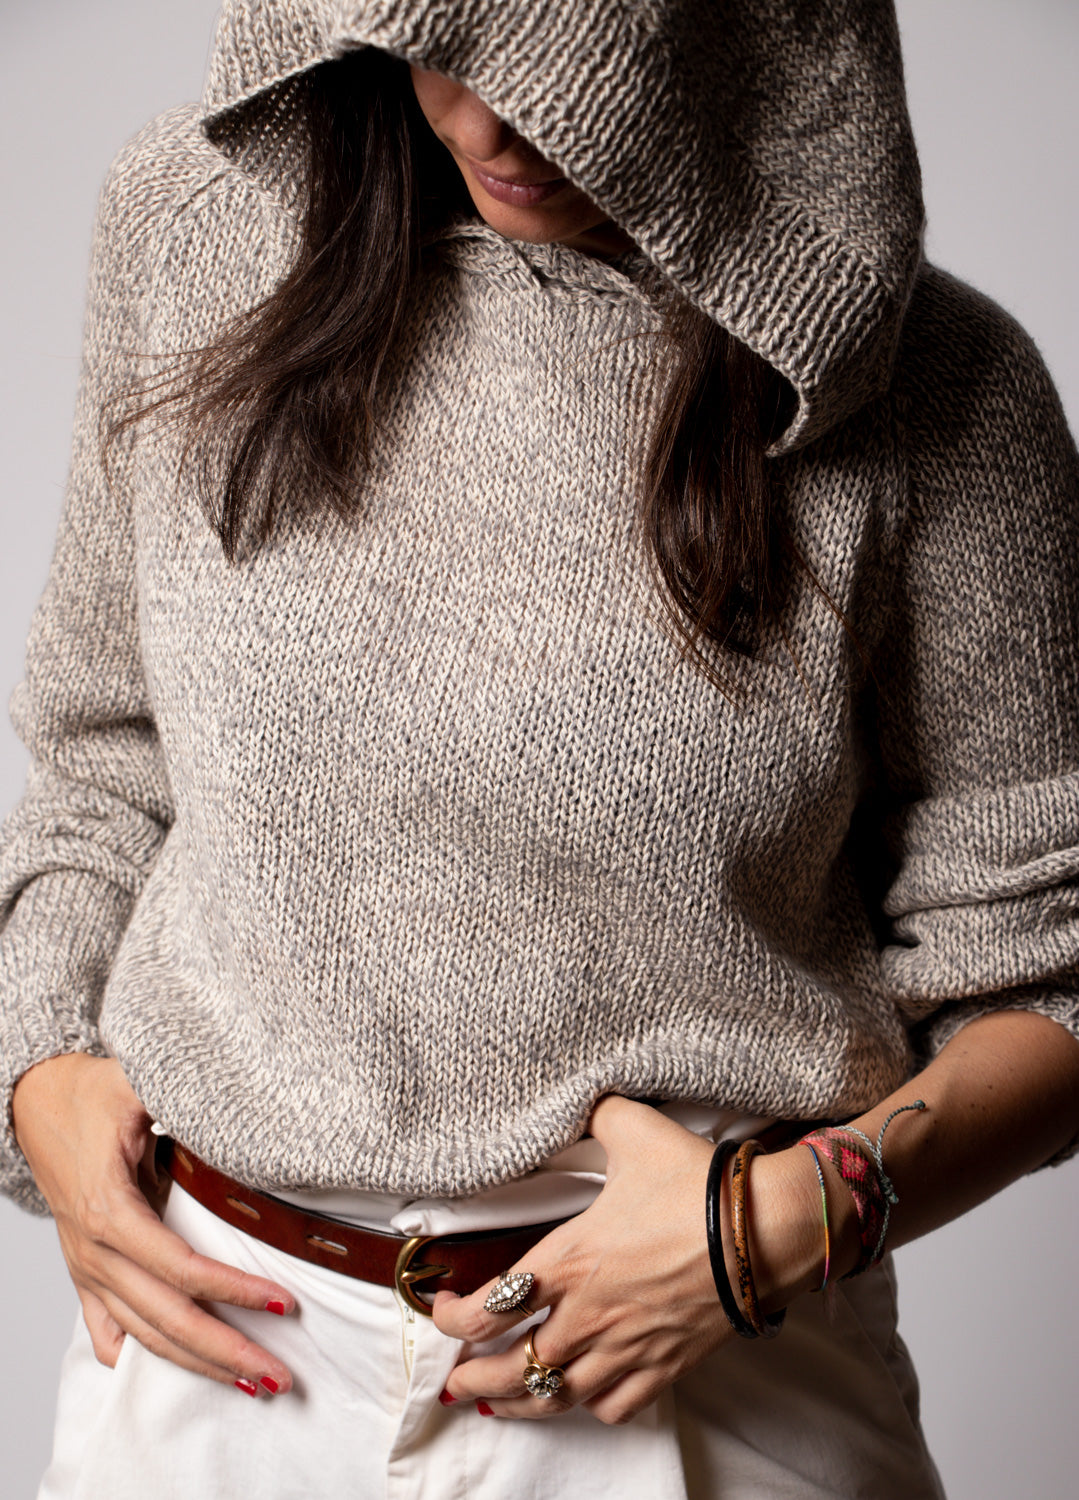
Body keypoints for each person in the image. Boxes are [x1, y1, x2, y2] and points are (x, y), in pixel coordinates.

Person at [2, 0, 1078, 1496]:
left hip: (704, 1377)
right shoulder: (190, 228)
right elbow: (104, 758)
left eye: (577, 64)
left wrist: (776, 1226)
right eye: (455, 43)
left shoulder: (943, 386)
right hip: (217, 1371)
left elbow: (1051, 975)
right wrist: (39, 1071)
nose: (497, 122)